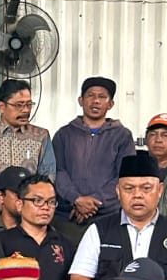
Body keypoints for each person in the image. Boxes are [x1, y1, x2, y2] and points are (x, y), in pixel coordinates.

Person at [52, 76, 134, 231]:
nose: (96, 101)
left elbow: (124, 176)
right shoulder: (64, 134)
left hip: (108, 216)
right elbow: (58, 171)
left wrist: (93, 202)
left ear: (110, 104)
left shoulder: (122, 136)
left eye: (102, 97)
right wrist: (76, 199)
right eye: (90, 95)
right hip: (67, 215)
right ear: (80, 100)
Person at [0, 79, 56, 225]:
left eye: (29, 104)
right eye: (19, 105)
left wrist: (30, 200)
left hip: (29, 216)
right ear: (1, 107)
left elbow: (48, 176)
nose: (26, 110)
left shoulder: (41, 136)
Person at [0, 173, 75, 280]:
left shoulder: (66, 244)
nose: (46, 207)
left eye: (51, 202)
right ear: (20, 204)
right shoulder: (1, 241)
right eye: (37, 201)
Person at [0, 165, 31, 230]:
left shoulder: (41, 231)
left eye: (29, 195)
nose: (24, 199)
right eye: (19, 194)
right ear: (1, 197)